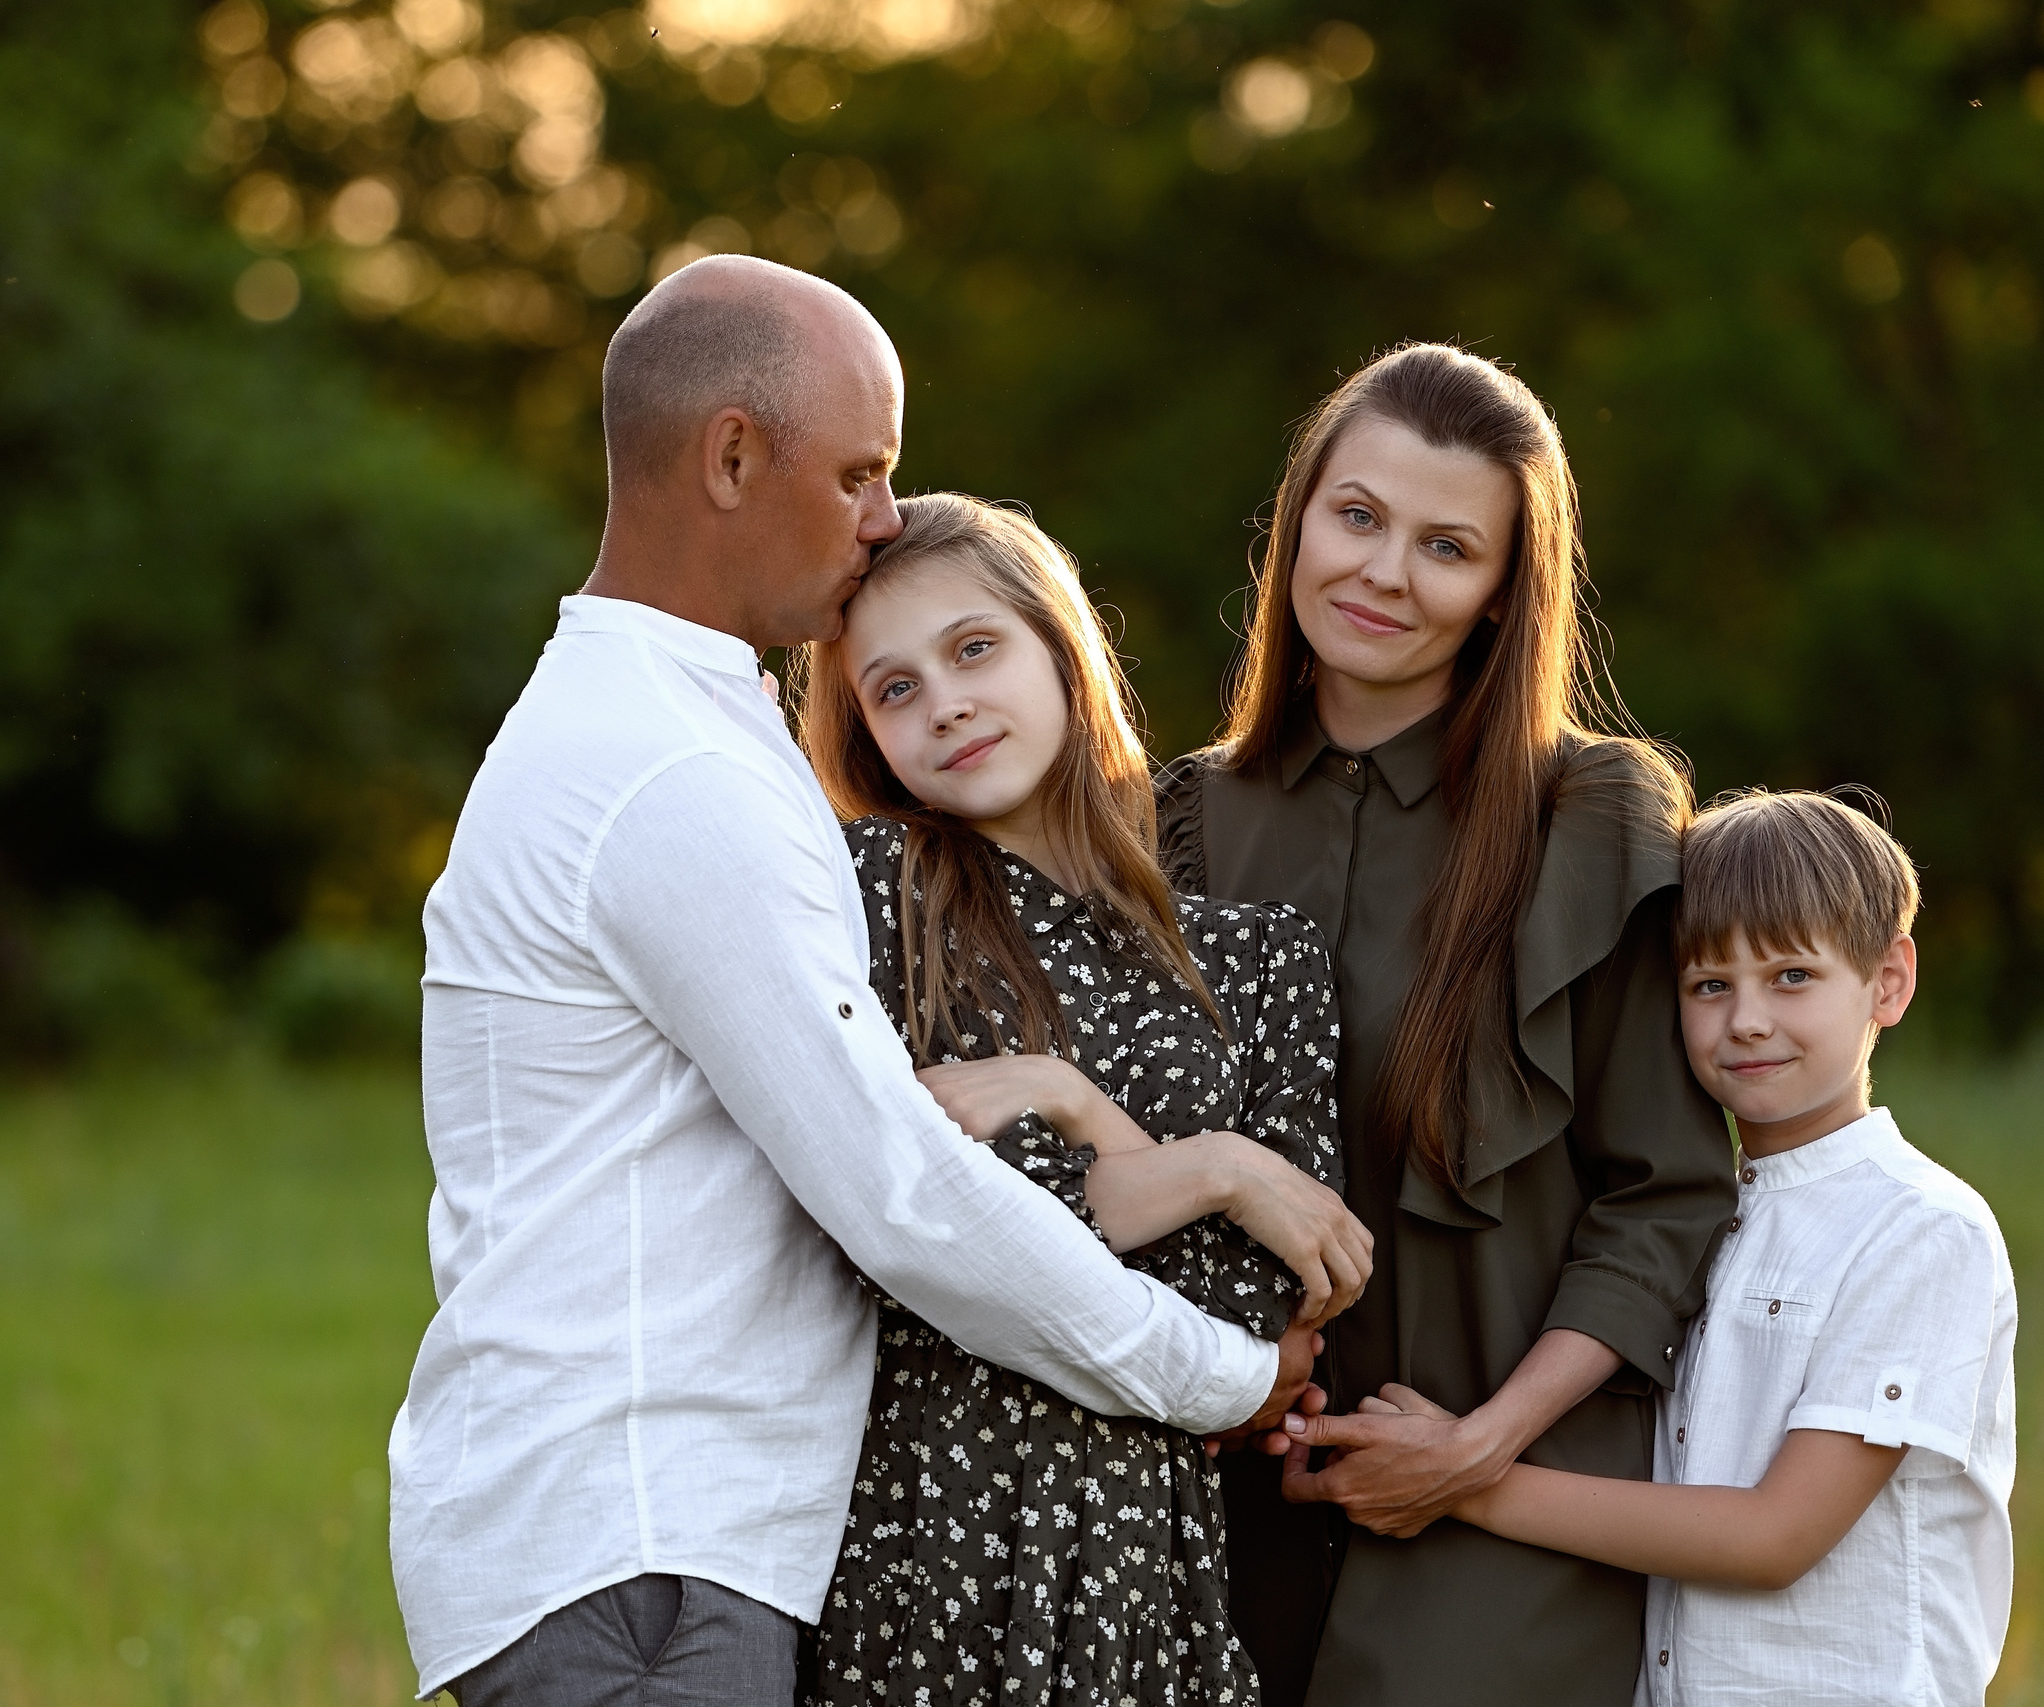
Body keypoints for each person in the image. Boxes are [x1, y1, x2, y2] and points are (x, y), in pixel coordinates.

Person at [388, 255, 1335, 1707]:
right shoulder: (670, 772)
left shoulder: (696, 723)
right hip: (637, 1545)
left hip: (675, 1540)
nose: (886, 518)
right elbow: (901, 1191)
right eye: (861, 471)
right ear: (730, 455)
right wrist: (1217, 1374)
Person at [1155, 342, 1741, 1705]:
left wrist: (1480, 1448)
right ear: (1298, 516)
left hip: (1507, 1497)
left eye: (1445, 546)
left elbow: (1663, 1196)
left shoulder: (1588, 819)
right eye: (1356, 516)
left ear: (1499, 595)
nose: (1382, 573)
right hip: (1228, 1485)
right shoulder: (1183, 821)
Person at [793, 492, 1372, 1706]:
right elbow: (897, 1212)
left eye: (972, 649)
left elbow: (1273, 1303)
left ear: (1060, 647)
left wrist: (1074, 1112)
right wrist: (1217, 1175)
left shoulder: (1258, 958)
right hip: (924, 1524)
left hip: (1147, 1550)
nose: (942, 702)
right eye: (891, 689)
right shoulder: (870, 899)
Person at [1323, 789, 2017, 1705]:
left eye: (1793, 976)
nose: (1749, 1020)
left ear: (1888, 980)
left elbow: (1776, 1538)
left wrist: (1460, 1474)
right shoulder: (1690, 1220)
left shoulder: (1922, 1229)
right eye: (1710, 984)